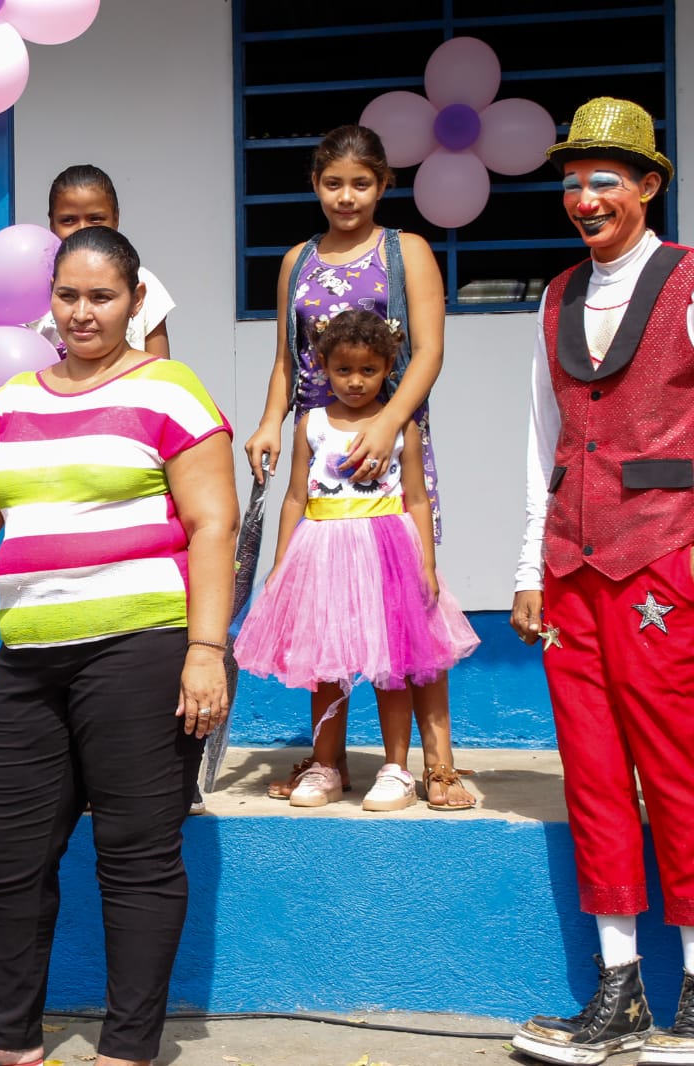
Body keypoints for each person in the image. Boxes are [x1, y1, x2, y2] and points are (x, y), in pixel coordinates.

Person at [0, 225, 238, 1066]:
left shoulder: (172, 392)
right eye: (69, 296)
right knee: (7, 846)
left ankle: (127, 1046)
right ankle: (11, 1036)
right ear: (50, 299)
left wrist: (205, 650)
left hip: (139, 648)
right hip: (29, 658)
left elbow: (213, 522)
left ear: (134, 302)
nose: (83, 313)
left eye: (103, 297)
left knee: (137, 850)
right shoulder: (12, 399)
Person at [508, 96, 694, 1066]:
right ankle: (618, 995)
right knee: (591, 777)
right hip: (571, 573)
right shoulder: (553, 298)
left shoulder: (689, 283)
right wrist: (527, 564)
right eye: (572, 180)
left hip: (666, 563)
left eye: (603, 179)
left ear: (649, 184)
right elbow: (545, 442)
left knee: (679, 770)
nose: (584, 197)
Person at [242, 125, 473, 811]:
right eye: (333, 183)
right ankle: (327, 760)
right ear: (316, 185)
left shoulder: (408, 253)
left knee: (409, 607)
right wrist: (268, 421)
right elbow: (289, 360)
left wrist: (388, 421)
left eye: (361, 182)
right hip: (321, 450)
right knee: (330, 609)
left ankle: (435, 765)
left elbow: (428, 352)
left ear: (382, 185)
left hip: (391, 438)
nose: (347, 196)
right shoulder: (297, 260)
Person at [234, 310, 478, 810]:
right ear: (323, 366)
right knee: (327, 665)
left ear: (389, 367)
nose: (355, 381)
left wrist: (427, 564)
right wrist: (282, 564)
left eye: (368, 370)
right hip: (322, 551)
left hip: (387, 550)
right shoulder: (311, 425)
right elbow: (296, 498)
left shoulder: (400, 427)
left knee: (393, 664)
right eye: (343, 370)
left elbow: (415, 498)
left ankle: (396, 769)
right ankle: (326, 764)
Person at [27, 164, 176, 358]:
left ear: (116, 218)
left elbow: (161, 369)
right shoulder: (31, 288)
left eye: (95, 218)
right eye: (68, 220)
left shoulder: (143, 281)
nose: (82, 228)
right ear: (52, 223)